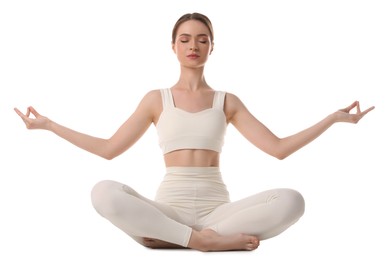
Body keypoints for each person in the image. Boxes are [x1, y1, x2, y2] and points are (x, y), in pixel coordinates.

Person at [14, 12, 374, 252]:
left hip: (220, 213)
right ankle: (200, 242)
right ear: (173, 47)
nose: (193, 46)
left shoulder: (226, 101)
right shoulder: (156, 99)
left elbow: (277, 148)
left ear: (212, 47)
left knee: (293, 199)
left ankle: (185, 240)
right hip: (168, 209)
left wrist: (332, 120)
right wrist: (49, 125)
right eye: (185, 39)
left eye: (202, 40)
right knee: (103, 191)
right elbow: (110, 148)